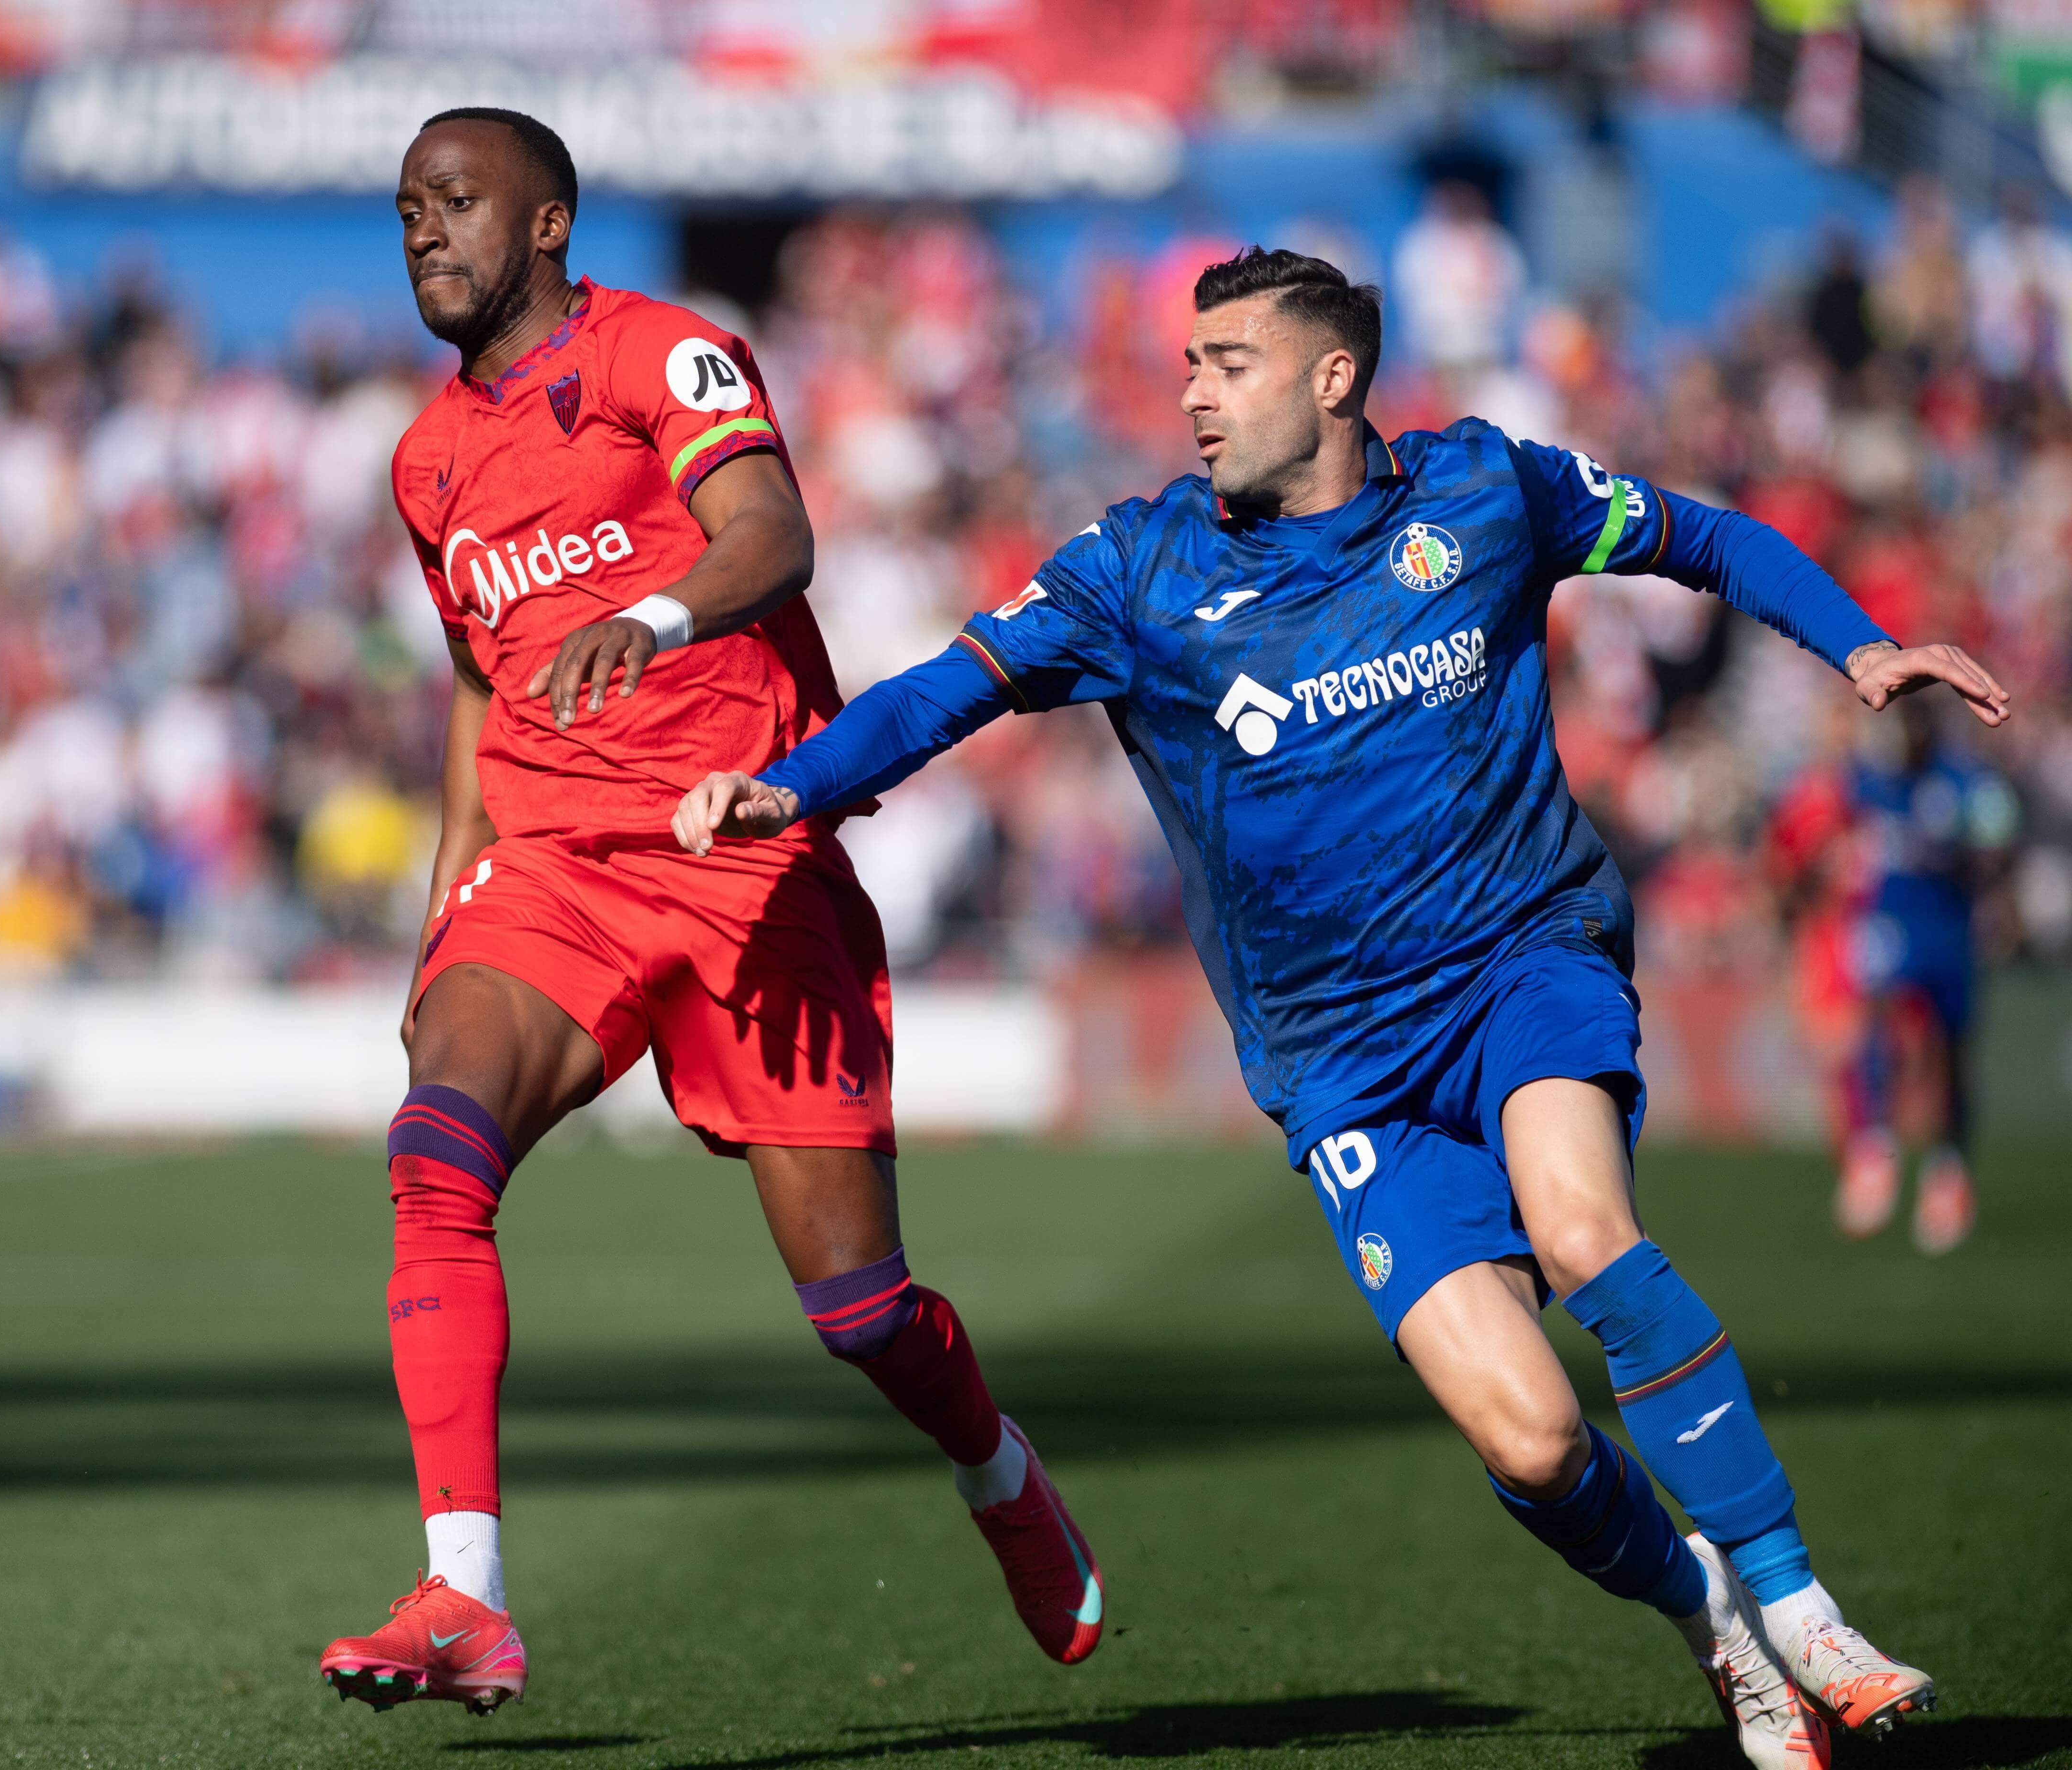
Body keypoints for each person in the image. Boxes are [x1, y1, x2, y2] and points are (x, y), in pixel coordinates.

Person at [676, 249, 2010, 1768]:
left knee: (1581, 1231)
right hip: (1338, 1066)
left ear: (1332, 377)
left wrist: (1858, 644)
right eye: (1184, 362)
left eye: (1225, 362)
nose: (1189, 392)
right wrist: (791, 787)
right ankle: (1708, 1617)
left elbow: (1694, 536)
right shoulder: (1136, 572)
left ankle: (1802, 1601)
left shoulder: (1487, 494)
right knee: (1528, 1436)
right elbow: (939, 692)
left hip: (1522, 957)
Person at [314, 108, 1103, 1716]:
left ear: (545, 224)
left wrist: (651, 612)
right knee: (431, 1155)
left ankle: (994, 1463)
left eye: (455, 204)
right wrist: (439, 901)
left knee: (858, 1311)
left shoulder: (661, 355)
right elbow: (476, 681)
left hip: (742, 849)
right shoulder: (425, 459)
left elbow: (772, 537)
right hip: (550, 865)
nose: (424, 234)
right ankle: (462, 1590)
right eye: (405, 211)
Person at [1797, 702, 2017, 1252]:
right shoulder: (1872, 780)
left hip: (1948, 927)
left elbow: (1998, 846)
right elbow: (1833, 825)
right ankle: (1874, 1152)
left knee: (1951, 1051)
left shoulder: (1964, 784)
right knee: (1880, 1024)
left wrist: (1972, 859)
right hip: (1892, 923)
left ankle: (1949, 1170)